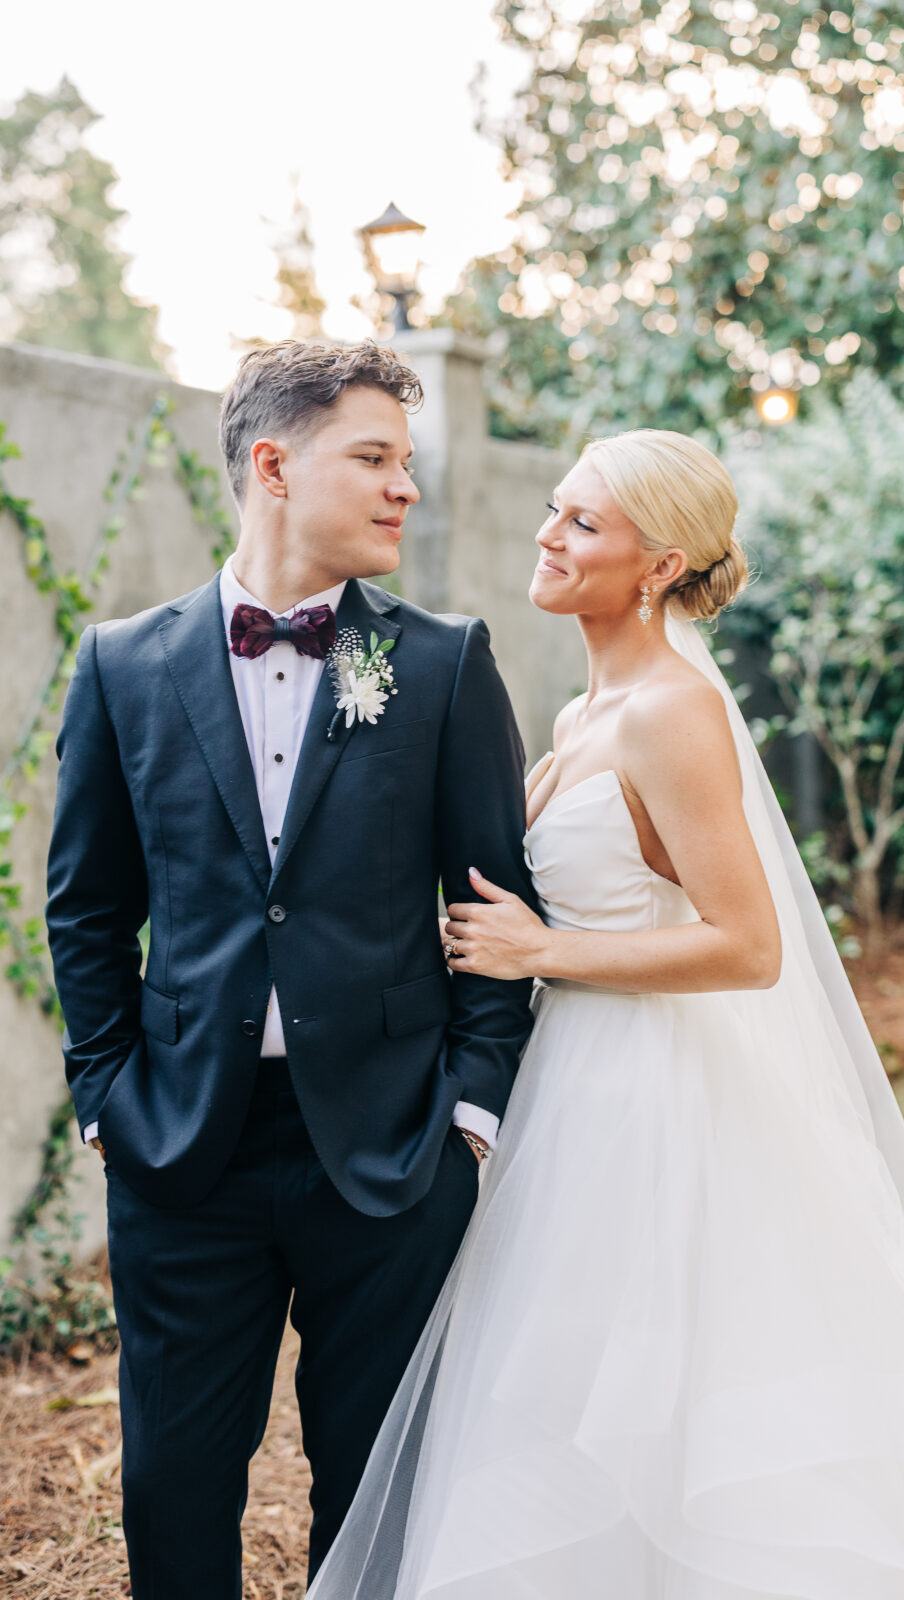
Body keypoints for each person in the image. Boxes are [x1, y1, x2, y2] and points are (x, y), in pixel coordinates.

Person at [309, 428, 904, 1600]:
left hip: (650, 1105)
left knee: (676, 1415)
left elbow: (748, 944)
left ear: (659, 566)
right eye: (556, 510)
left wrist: (541, 947)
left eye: (584, 524)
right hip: (571, 1084)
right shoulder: (580, 715)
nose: (549, 535)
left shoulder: (672, 710)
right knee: (565, 1404)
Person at [45, 339, 536, 1599]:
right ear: (272, 463)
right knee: (173, 1485)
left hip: (387, 1153)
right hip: (181, 1150)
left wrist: (467, 1117)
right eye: (371, 458)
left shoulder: (437, 662)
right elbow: (87, 907)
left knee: (377, 1489)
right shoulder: (121, 666)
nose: (402, 489)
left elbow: (494, 902)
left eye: (406, 462)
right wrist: (106, 1097)